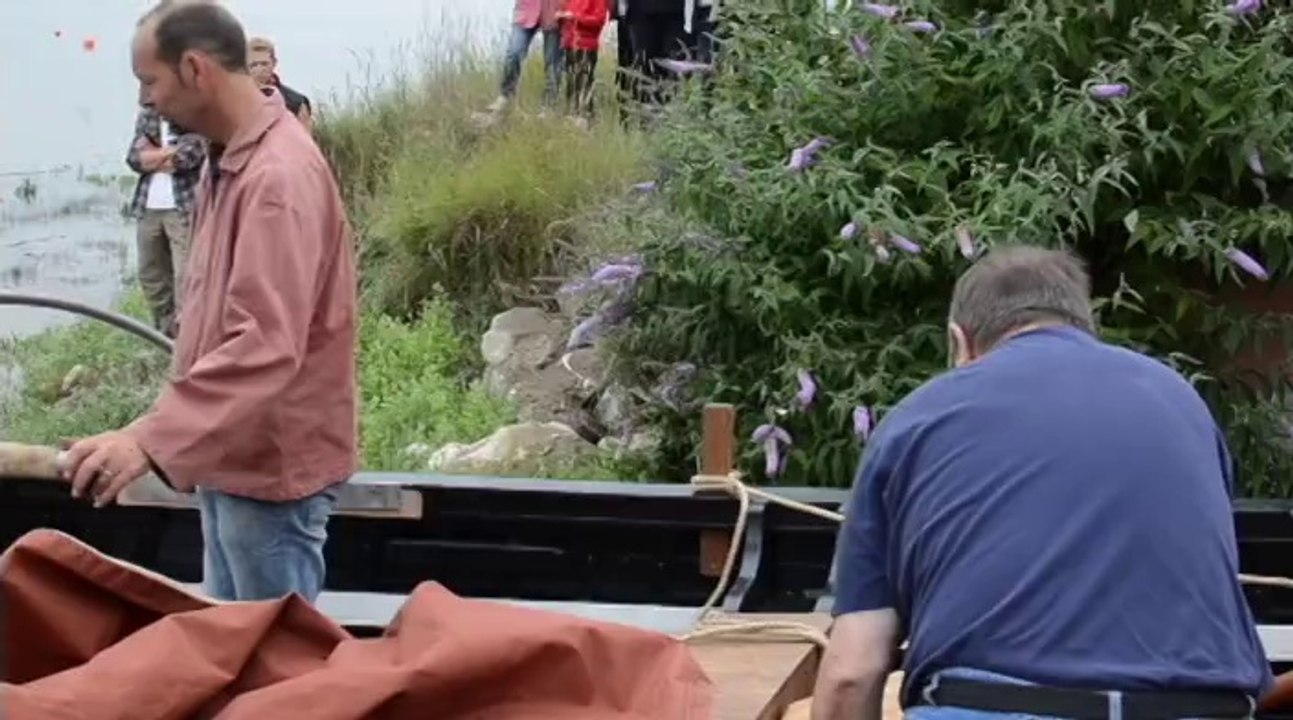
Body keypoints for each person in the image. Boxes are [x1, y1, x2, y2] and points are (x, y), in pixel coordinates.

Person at [811, 246, 1272, 719]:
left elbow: (852, 674)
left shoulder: (917, 419)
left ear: (960, 341)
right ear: (1083, 327)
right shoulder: (1182, 401)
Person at [61, 0, 358, 605]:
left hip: (270, 469)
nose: (146, 101)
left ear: (195, 69)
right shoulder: (231, 156)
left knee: (274, 667)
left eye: (150, 81)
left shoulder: (277, 178)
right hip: (227, 451)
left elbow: (263, 345)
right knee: (228, 638)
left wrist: (147, 439)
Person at [124, 106, 205, 338]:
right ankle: (165, 331)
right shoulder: (147, 116)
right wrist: (168, 152)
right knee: (150, 273)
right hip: (148, 207)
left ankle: (188, 333)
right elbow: (133, 159)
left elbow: (189, 156)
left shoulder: (190, 111)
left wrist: (153, 154)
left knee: (185, 275)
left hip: (182, 207)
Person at [479, 0, 564, 121]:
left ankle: (550, 105)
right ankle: (506, 96)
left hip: (555, 10)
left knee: (553, 62)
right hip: (527, 10)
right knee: (514, 52)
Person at [558, 0, 612, 125]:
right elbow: (564, 19)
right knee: (571, 82)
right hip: (570, 43)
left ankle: (585, 119)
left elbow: (599, 20)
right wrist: (561, 18)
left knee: (584, 82)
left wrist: (575, 16)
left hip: (586, 44)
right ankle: (572, 117)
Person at [247, 36, 313, 131]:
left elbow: (306, 142)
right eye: (254, 65)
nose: (259, 69)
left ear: (274, 63)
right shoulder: (234, 102)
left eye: (264, 64)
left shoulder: (296, 103)